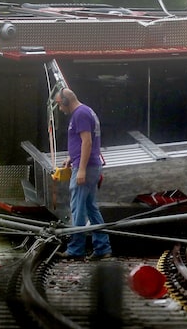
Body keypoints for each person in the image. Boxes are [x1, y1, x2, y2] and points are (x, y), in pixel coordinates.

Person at [55, 88, 113, 261]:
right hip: (89, 166)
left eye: (59, 104)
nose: (60, 109)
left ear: (66, 101)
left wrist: (80, 169)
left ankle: (76, 250)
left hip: (86, 169)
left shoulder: (80, 114)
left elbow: (87, 142)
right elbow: (81, 141)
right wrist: (70, 158)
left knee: (78, 209)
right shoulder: (86, 111)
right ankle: (103, 248)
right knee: (91, 209)